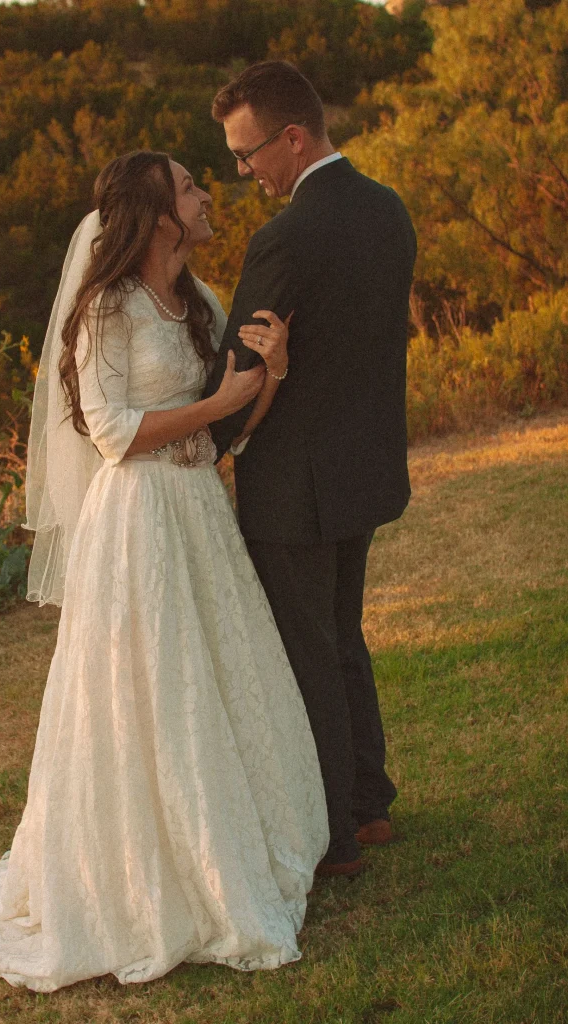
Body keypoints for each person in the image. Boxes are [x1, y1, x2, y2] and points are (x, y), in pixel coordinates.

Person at [0, 150, 329, 992]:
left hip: (198, 512)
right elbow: (112, 432)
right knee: (149, 692)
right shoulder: (106, 308)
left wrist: (269, 379)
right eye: (190, 187)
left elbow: (224, 436)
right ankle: (137, 876)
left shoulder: (200, 300)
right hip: (138, 522)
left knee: (216, 681)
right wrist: (221, 402)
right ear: (158, 214)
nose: (203, 196)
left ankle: (232, 846)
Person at [205, 61, 417, 876]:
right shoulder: (386, 208)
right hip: (364, 467)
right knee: (343, 642)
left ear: (292, 138)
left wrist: (195, 448)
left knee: (308, 653)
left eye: (247, 152)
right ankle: (368, 808)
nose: (244, 171)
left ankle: (330, 833)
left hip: (294, 483)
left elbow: (240, 366)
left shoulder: (288, 235)